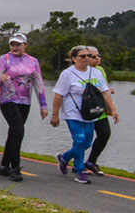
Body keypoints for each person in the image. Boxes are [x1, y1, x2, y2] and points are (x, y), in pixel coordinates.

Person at [51, 45, 119, 184]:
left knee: (87, 142)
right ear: (74, 59)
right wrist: (55, 115)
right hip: (72, 113)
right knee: (80, 140)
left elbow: (105, 92)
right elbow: (59, 96)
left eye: (89, 56)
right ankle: (80, 171)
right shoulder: (67, 74)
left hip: (90, 113)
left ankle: (64, 158)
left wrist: (113, 109)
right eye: (83, 56)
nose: (87, 58)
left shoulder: (96, 73)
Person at [0, 32, 47, 181]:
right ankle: (15, 168)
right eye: (12, 44)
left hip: (24, 101)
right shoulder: (5, 59)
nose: (15, 47)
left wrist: (43, 105)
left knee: (15, 133)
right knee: (18, 130)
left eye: (18, 44)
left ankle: (3, 166)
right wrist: (1, 79)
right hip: (8, 99)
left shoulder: (32, 61)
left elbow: (38, 82)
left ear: (25, 45)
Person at [85, 46, 116, 176]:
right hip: (86, 110)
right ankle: (76, 161)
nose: (97, 58)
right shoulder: (81, 71)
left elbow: (104, 88)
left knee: (104, 134)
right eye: (94, 56)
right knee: (84, 139)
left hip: (100, 109)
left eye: (98, 55)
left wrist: (112, 108)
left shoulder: (100, 70)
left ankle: (91, 161)